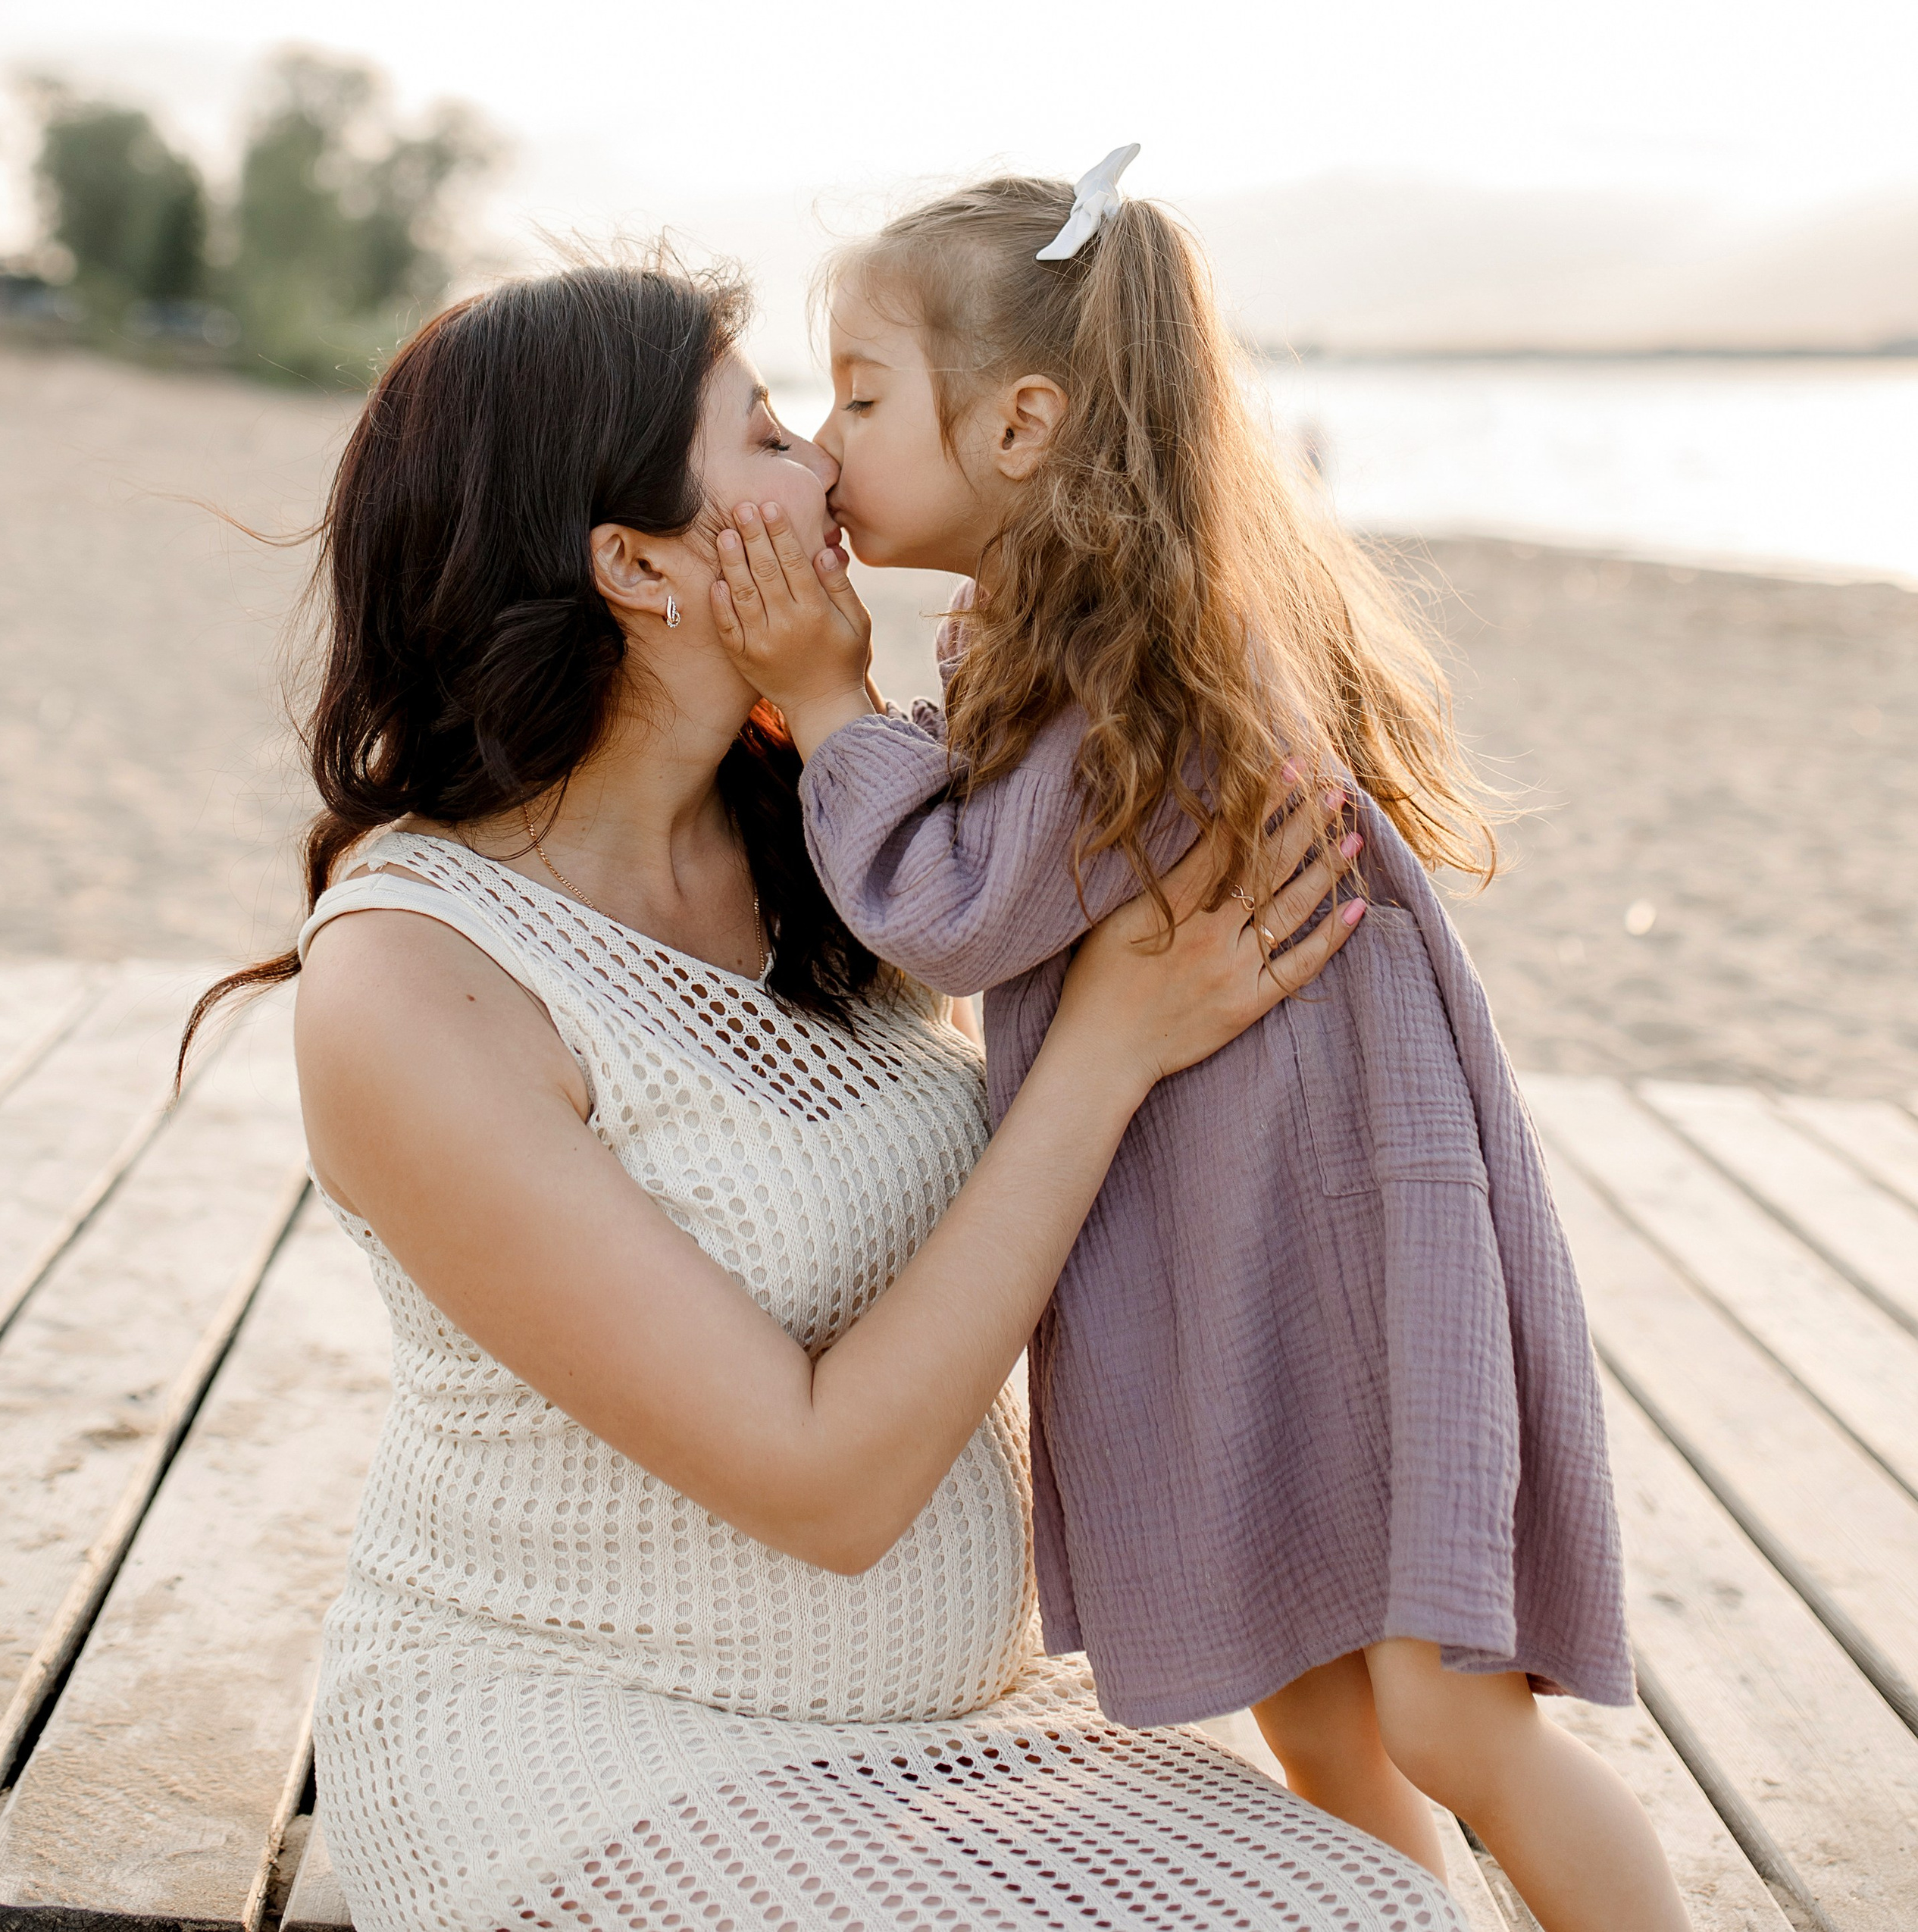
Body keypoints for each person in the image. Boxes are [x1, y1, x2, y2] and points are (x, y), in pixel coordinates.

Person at [184, 256, 1469, 1932]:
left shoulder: (841, 845)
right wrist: (1107, 1042)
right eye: (772, 433)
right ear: (636, 561)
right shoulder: (417, 980)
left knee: (1385, 1910)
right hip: (580, 1742)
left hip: (963, 1735)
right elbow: (821, 1481)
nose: (829, 473)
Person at [709, 153, 1691, 1932]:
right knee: (1319, 1721)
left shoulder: (1148, 649)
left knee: (1449, 1720)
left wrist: (837, 695)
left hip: (1340, 1229)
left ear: (1020, 424)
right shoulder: (1065, 622)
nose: (825, 440)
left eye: (858, 396)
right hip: (1248, 1216)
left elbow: (952, 911)